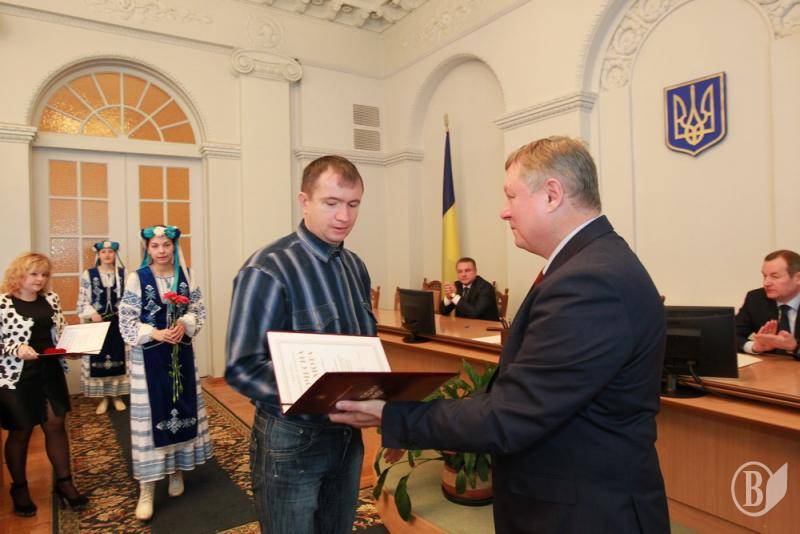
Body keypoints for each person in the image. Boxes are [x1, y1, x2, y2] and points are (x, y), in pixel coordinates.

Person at [331, 137, 670, 533]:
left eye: (511, 196)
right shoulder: (589, 263)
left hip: (587, 513)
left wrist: (392, 414)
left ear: (552, 195)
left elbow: (512, 414)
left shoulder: (590, 281)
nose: (504, 211)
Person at [225, 155, 377, 534]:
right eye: (331, 203)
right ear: (304, 201)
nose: (344, 216)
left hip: (347, 436)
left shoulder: (355, 265)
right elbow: (243, 367)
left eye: (353, 204)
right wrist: (322, 396)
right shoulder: (267, 269)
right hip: (291, 439)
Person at [118, 225, 212, 521]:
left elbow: (198, 310)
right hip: (148, 358)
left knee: (180, 408)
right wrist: (154, 333)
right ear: (147, 248)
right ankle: (147, 487)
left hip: (180, 355)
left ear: (174, 246)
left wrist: (184, 323)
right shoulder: (137, 278)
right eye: (155, 246)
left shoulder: (187, 275)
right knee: (149, 421)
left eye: (166, 245)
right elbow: (126, 319)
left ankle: (175, 471)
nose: (161, 251)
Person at [0, 252, 88, 517]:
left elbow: (60, 333)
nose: (40, 279)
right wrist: (15, 348)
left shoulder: (51, 299)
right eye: (34, 273)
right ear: (19, 274)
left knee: (55, 426)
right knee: (21, 431)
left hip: (49, 371)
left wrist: (71, 350)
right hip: (16, 376)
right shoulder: (3, 303)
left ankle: (64, 483)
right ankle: (19, 487)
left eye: (44, 274)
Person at [76, 240, 129, 414]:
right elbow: (83, 300)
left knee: (119, 357)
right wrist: (92, 313)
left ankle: (116, 396)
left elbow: (129, 297)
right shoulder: (89, 274)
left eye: (110, 251)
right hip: (97, 324)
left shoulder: (124, 274)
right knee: (98, 358)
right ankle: (104, 398)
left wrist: (123, 310)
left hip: (118, 324)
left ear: (115, 254)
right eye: (103, 252)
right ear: (98, 254)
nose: (107, 255)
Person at [735, 249, 800, 359]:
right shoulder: (756, 299)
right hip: (771, 367)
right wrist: (755, 347)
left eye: (775, 276)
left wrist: (795, 347)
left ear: (798, 278)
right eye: (765, 276)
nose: (766, 283)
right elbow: (731, 335)